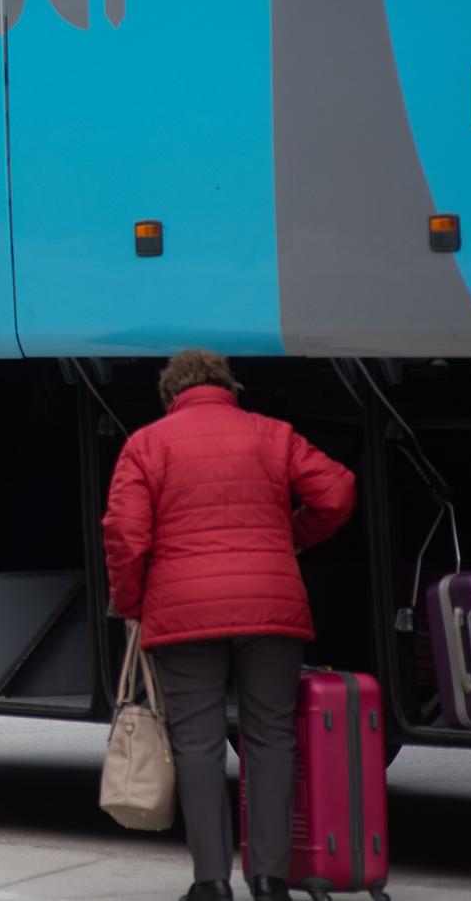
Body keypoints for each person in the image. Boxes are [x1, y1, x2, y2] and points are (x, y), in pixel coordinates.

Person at [102, 349, 357, 901]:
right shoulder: (274, 434)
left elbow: (125, 535)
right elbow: (336, 492)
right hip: (270, 608)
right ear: (231, 388)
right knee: (270, 738)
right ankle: (268, 879)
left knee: (197, 746)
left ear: (171, 396)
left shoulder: (145, 445)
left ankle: (211, 882)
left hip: (184, 613)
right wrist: (294, 536)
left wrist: (129, 602)